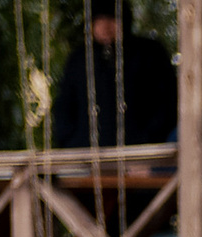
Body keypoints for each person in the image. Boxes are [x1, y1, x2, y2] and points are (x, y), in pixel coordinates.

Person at [51, 0, 178, 152]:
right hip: (87, 158)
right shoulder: (79, 60)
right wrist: (73, 145)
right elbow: (64, 108)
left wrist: (150, 142)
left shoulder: (149, 53)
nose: (105, 26)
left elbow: (167, 103)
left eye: (111, 19)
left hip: (143, 155)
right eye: (99, 20)